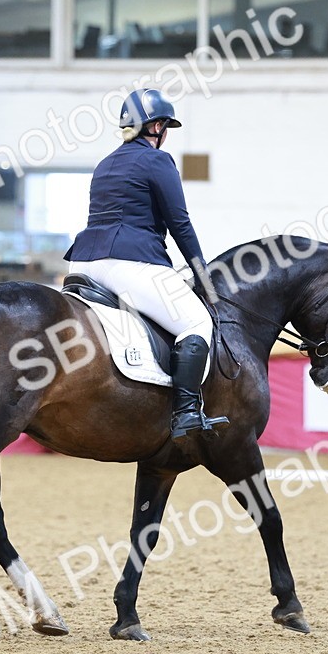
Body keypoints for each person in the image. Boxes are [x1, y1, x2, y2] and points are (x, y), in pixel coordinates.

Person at [65, 88, 229, 439]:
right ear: (155, 126)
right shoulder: (158, 160)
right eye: (166, 126)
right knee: (197, 321)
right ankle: (186, 412)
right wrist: (204, 277)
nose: (166, 133)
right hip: (127, 263)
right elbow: (179, 223)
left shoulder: (106, 162)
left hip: (82, 265)